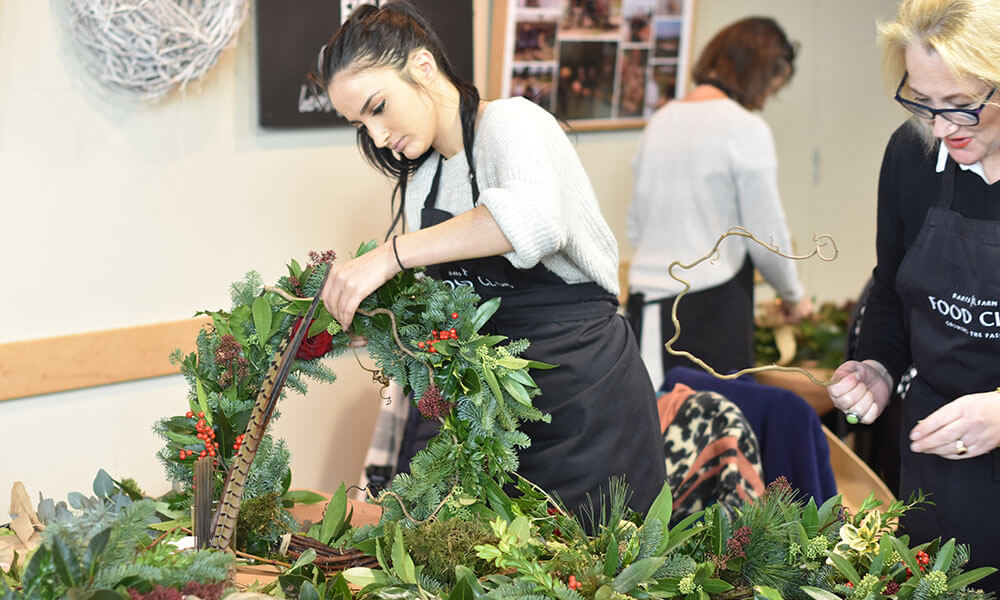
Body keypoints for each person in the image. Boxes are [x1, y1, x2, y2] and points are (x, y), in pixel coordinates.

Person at [312, 1, 666, 517]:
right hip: (497, 420)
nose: (378, 136)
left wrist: (392, 255)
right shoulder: (423, 178)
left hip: (586, 401)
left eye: (378, 107)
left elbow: (535, 221)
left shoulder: (512, 123)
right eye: (360, 124)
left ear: (423, 68)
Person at [826, 0, 1000, 591]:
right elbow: (894, 293)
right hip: (935, 457)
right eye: (923, 104)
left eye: (962, 107)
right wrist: (878, 364)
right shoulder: (911, 156)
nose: (942, 129)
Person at [625, 17, 812, 390]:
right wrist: (794, 296)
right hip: (707, 314)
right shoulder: (744, 128)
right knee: (716, 438)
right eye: (771, 88)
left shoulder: (660, 121)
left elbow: (635, 225)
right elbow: (766, 235)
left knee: (657, 430)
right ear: (759, 75)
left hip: (643, 307)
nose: (765, 100)